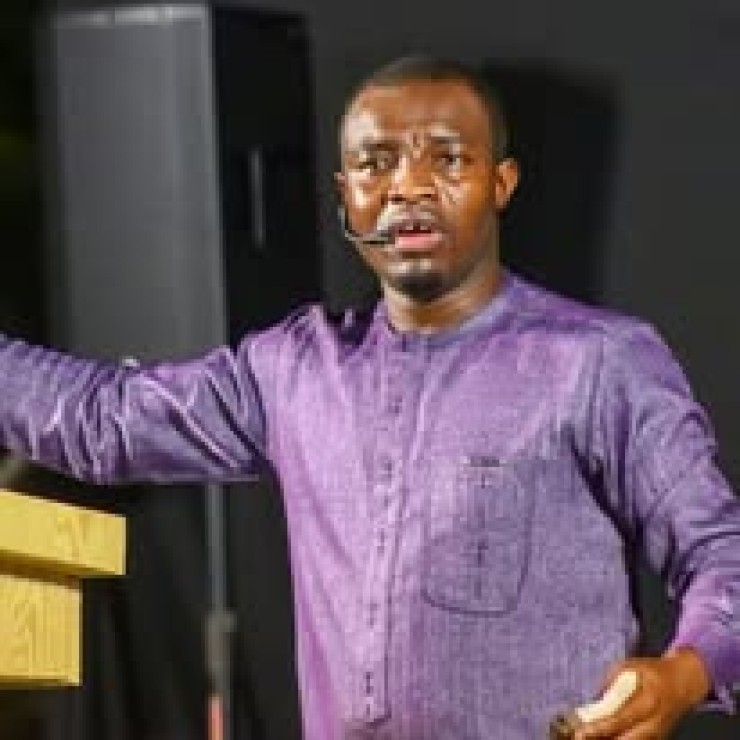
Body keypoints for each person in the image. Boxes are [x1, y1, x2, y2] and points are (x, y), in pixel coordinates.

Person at [1, 54, 739, 739]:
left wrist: (682, 675)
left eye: (447, 158)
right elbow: (103, 423)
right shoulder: (293, 369)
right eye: (374, 162)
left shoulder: (598, 362)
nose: (407, 186)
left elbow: (722, 554)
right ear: (345, 195)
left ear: (502, 183)